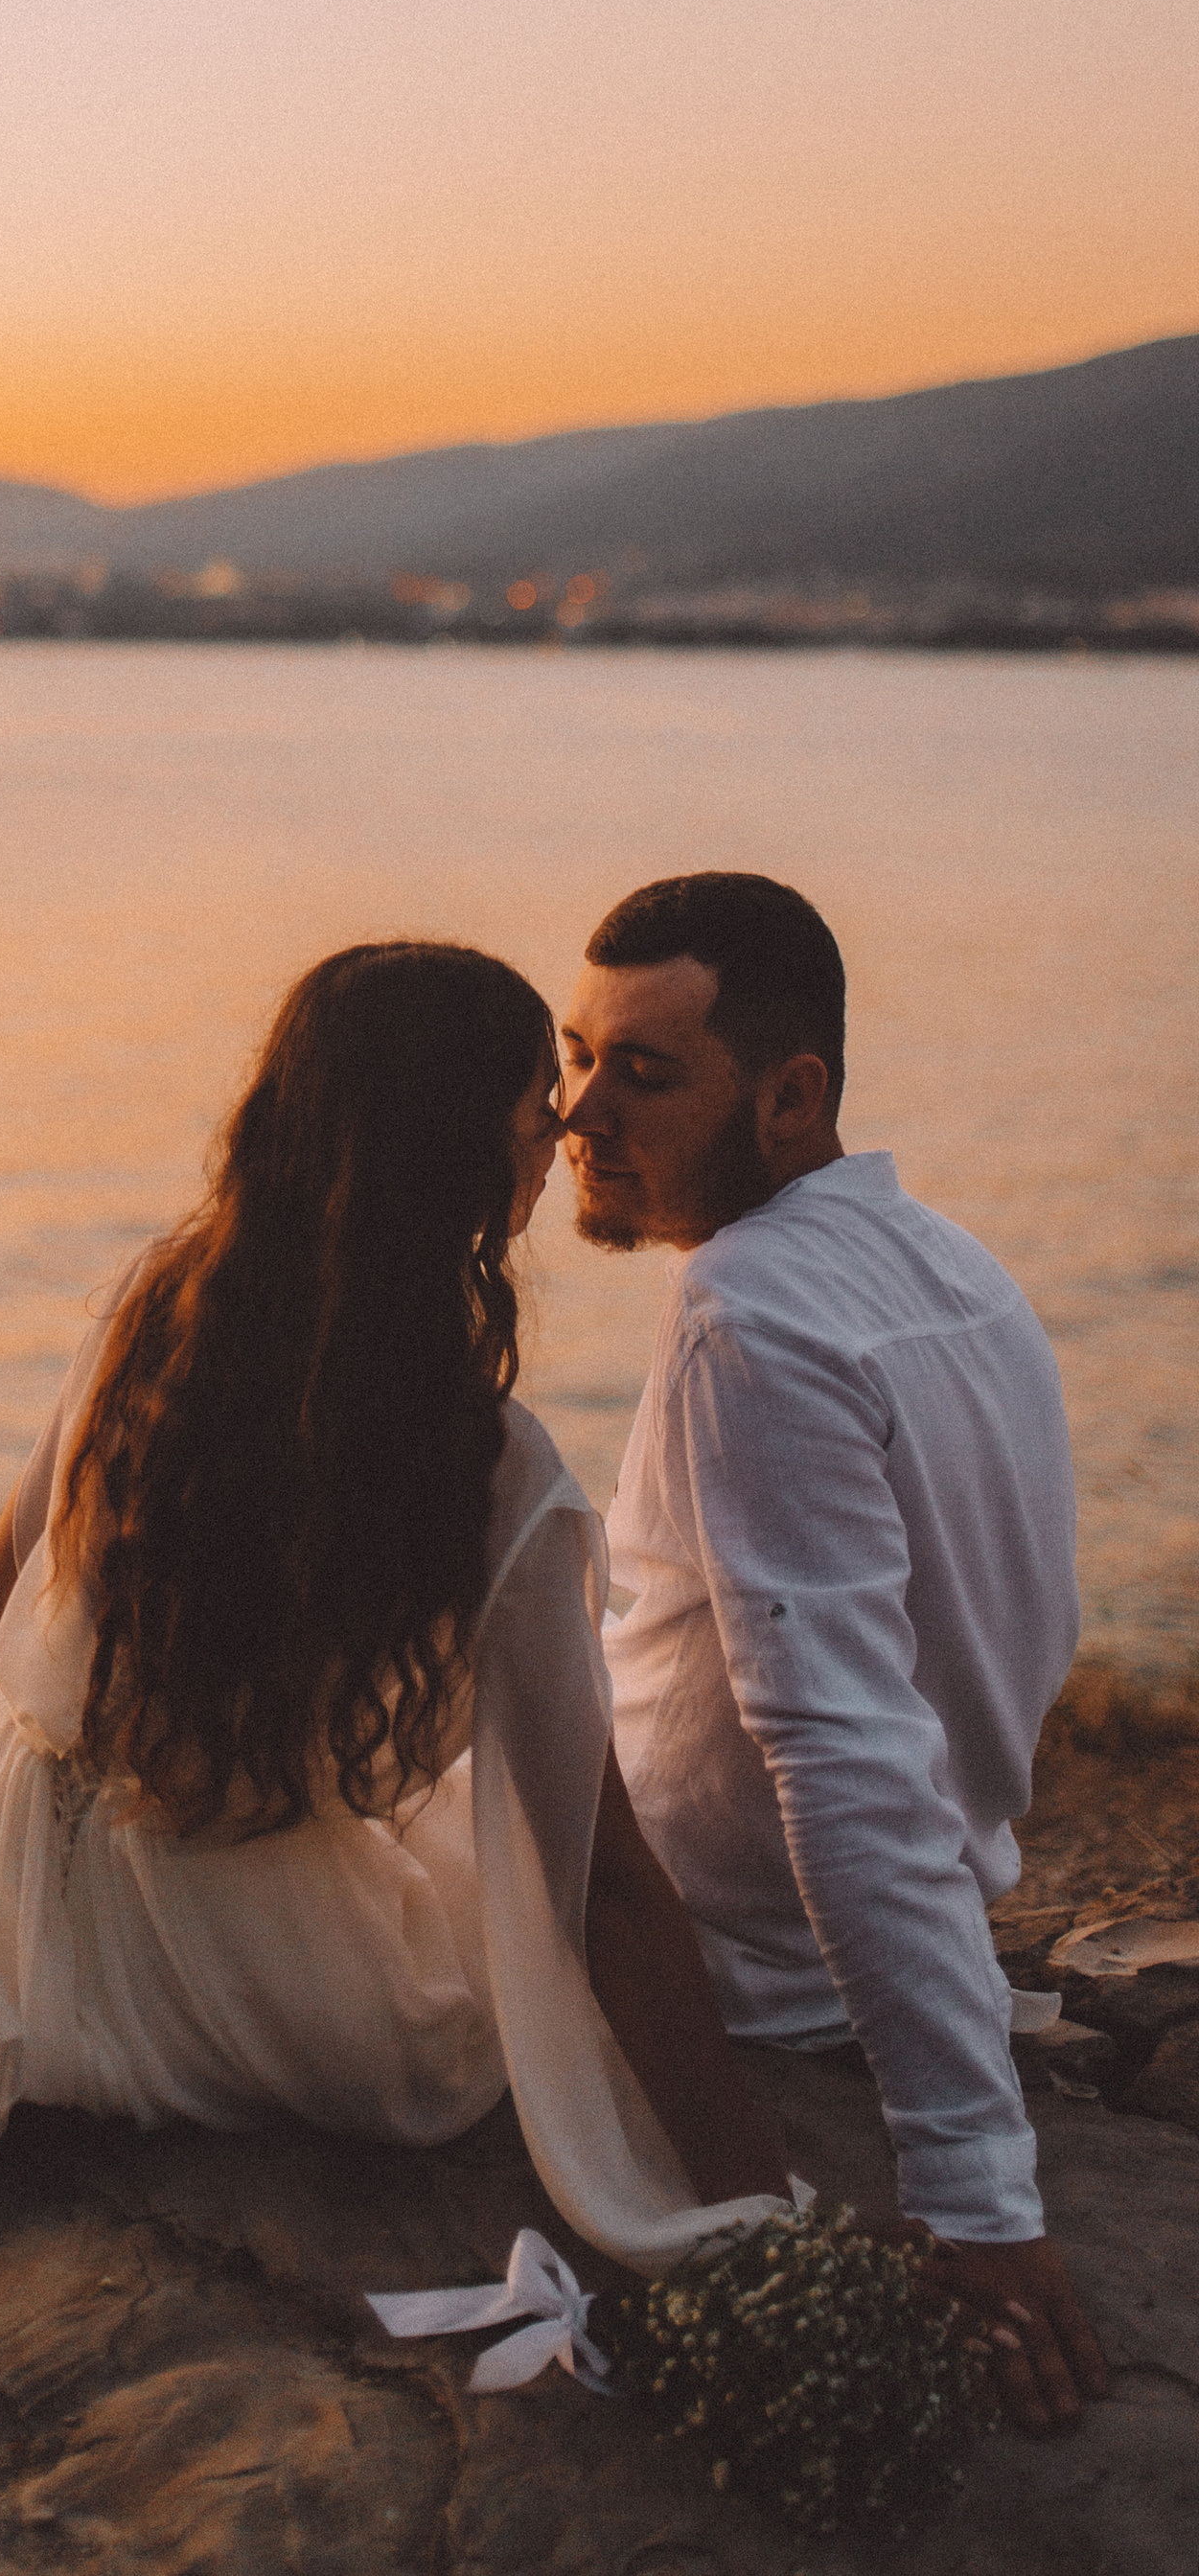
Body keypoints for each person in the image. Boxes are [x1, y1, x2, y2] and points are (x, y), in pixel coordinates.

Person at [0, 940, 792, 2389]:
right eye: (533, 1111)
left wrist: (175, 1713)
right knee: (454, 1993)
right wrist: (769, 2217)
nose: (562, 1133)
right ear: (463, 1159)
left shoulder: (154, 1309)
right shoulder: (489, 1469)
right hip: (258, 1984)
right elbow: (604, 1884)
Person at [563, 870, 1111, 2438]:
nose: (578, 1112)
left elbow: (848, 1753)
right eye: (574, 1054)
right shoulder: (953, 1266)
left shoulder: (748, 1309)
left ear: (792, 1095)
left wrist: (974, 2190)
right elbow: (1022, 1636)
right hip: (839, 1910)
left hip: (710, 1960)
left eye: (643, 1074)